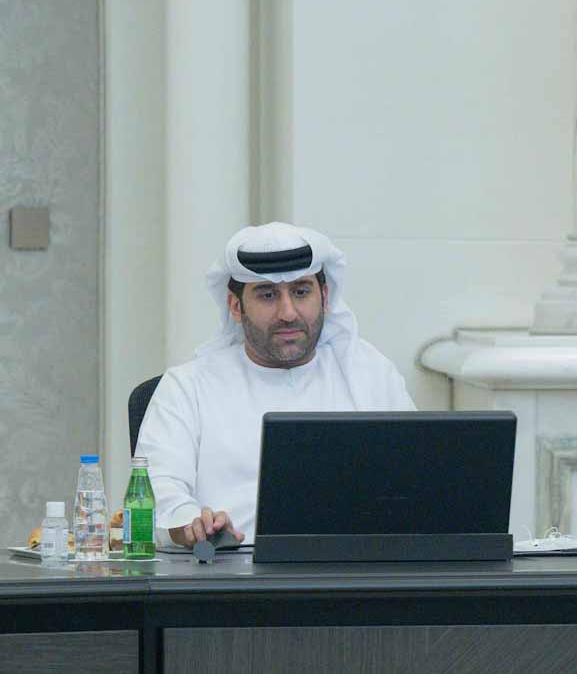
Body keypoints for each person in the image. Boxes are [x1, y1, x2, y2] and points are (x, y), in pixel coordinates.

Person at [135, 222, 416, 545]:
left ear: (324, 297)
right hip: (228, 569)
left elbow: (415, 481)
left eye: (301, 291)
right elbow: (158, 492)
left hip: (357, 566)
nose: (288, 312)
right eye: (268, 295)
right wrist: (194, 525)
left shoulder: (371, 375)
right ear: (236, 306)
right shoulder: (188, 386)